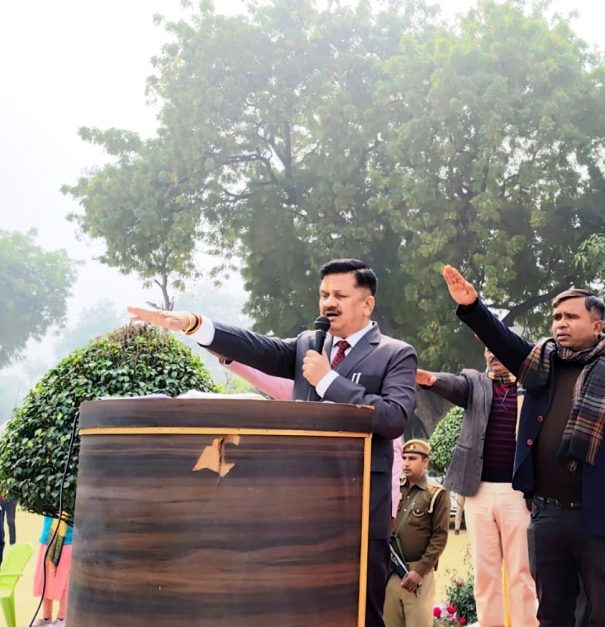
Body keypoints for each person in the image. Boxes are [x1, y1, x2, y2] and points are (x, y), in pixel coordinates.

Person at [128, 258, 417, 627]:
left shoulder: (394, 353)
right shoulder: (309, 344)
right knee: (298, 609)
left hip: (357, 508)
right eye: (324, 295)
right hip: (298, 506)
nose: (329, 303)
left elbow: (394, 418)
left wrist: (329, 381)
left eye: (340, 295)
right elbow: (257, 347)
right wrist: (195, 324)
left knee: (358, 612)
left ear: (367, 303)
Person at [441, 265, 605, 627]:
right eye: (556, 317)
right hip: (548, 515)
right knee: (552, 613)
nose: (561, 324)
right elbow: (501, 340)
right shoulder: (540, 364)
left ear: (597, 326)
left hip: (601, 516)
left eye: (571, 316)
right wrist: (473, 307)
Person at [417, 347, 538, 626]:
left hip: (518, 492)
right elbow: (455, 385)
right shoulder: (476, 383)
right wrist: (433, 380)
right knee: (485, 572)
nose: (492, 355)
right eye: (487, 350)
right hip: (478, 490)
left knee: (521, 571)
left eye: (498, 348)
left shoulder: (531, 387)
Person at [217, 356, 406, 519]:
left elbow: (393, 456)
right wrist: (231, 355)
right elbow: (268, 378)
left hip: (355, 500)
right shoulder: (308, 389)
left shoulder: (371, 399)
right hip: (307, 497)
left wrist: (389, 513)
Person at [385, 439, 450, 627]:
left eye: (412, 458)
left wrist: (419, 572)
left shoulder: (436, 494)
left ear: (425, 462)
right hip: (391, 571)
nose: (406, 463)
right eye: (404, 458)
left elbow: (439, 537)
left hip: (418, 572)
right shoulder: (393, 488)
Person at [32, 516, 73, 627]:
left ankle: (62, 618)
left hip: (67, 540)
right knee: (45, 579)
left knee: (64, 581)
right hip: (47, 538)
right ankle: (47, 617)